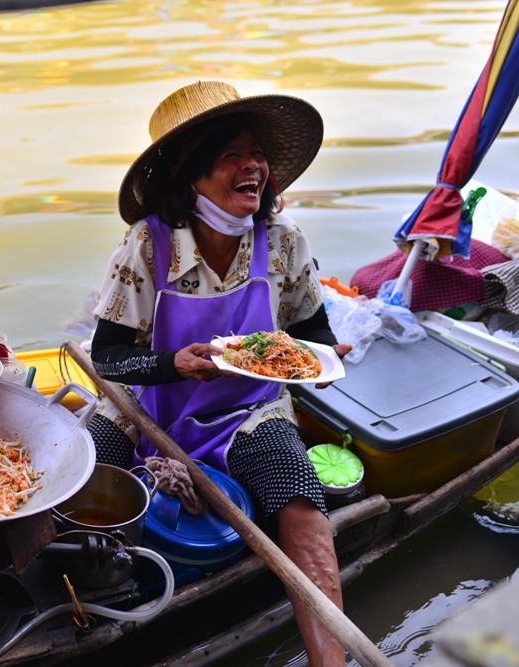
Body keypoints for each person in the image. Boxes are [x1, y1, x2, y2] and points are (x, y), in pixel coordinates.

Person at [88, 80, 352, 666]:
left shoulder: (282, 242)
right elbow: (105, 357)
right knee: (83, 473)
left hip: (248, 411)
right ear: (192, 173)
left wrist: (330, 355)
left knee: (301, 501)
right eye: (231, 154)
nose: (252, 166)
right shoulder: (149, 245)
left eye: (256, 153)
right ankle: (89, 605)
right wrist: (171, 363)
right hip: (146, 409)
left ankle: (331, 658)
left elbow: (314, 337)